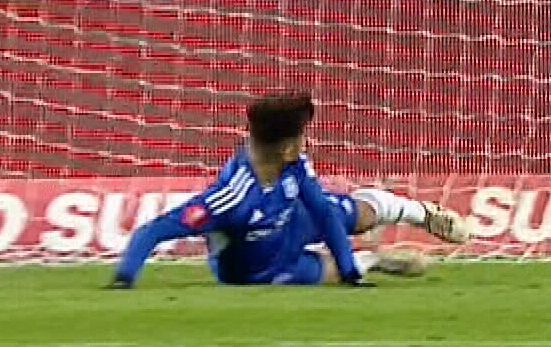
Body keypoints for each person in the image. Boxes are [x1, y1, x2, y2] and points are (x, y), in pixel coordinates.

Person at [109, 92, 472, 288]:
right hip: (255, 271)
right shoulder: (229, 199)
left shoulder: (295, 167)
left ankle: (422, 215)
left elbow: (322, 212)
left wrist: (348, 271)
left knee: (352, 213)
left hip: (292, 221)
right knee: (316, 277)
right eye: (300, 138)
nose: (304, 143)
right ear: (284, 147)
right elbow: (153, 230)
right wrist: (125, 279)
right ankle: (376, 260)